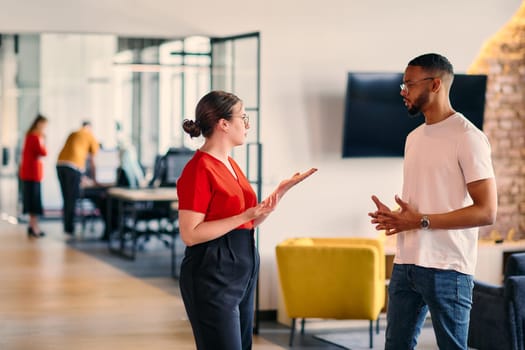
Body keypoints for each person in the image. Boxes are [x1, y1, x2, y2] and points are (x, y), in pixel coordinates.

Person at [368, 53, 497, 349]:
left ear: (436, 84)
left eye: (409, 84)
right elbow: (428, 199)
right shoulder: (413, 137)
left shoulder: (468, 138)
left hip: (448, 268)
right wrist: (400, 218)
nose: (403, 91)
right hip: (406, 263)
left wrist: (420, 220)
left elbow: (487, 211)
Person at [177, 90, 317, 350]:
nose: (247, 124)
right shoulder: (198, 169)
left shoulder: (230, 163)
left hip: (242, 270)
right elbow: (190, 234)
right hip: (212, 272)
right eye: (243, 117)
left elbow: (247, 222)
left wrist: (279, 192)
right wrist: (245, 215)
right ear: (224, 124)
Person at [56, 121, 99, 235]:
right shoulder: (89, 135)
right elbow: (93, 159)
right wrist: (95, 179)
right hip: (73, 166)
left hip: (60, 164)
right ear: (89, 127)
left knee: (66, 197)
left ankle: (67, 226)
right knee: (72, 197)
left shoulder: (73, 133)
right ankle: (70, 228)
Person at [19, 114, 48, 238]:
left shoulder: (29, 136)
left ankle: (32, 226)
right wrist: (44, 140)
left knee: (31, 200)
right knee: (34, 201)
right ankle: (34, 227)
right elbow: (43, 152)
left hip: (28, 173)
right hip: (33, 173)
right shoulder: (36, 137)